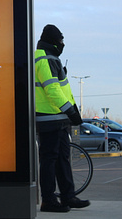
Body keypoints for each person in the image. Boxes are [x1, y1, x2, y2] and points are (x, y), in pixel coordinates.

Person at [35, 24, 90, 213]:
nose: (62, 43)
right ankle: (48, 200)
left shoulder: (50, 58)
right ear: (52, 41)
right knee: (50, 160)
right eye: (60, 40)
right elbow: (52, 90)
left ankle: (68, 196)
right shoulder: (46, 59)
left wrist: (72, 111)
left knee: (62, 159)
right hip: (49, 118)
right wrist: (71, 112)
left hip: (57, 118)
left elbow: (62, 89)